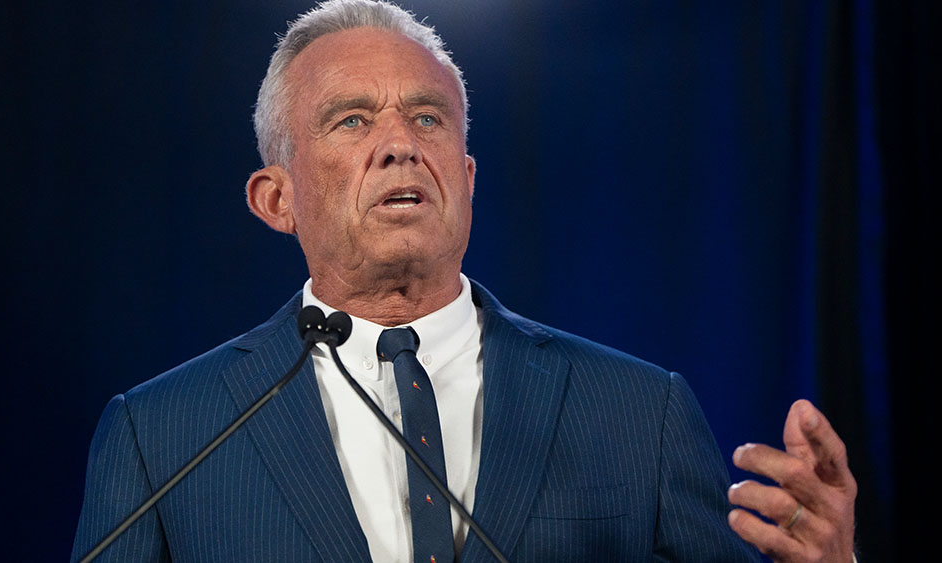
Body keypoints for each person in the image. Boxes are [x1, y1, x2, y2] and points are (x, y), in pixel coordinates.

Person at [71, 1, 857, 561]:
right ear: (277, 199)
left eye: (427, 118)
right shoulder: (163, 436)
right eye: (352, 120)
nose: (400, 145)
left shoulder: (640, 413)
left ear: (467, 179)